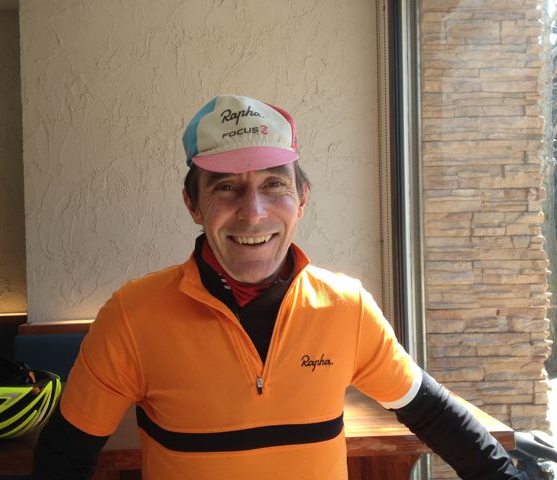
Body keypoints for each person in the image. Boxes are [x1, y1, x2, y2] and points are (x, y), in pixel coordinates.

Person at [33, 94, 528, 479]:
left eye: (274, 184)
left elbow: (431, 411)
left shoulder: (346, 307)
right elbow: (64, 458)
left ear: (302, 199)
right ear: (193, 204)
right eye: (226, 186)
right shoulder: (132, 316)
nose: (253, 212)